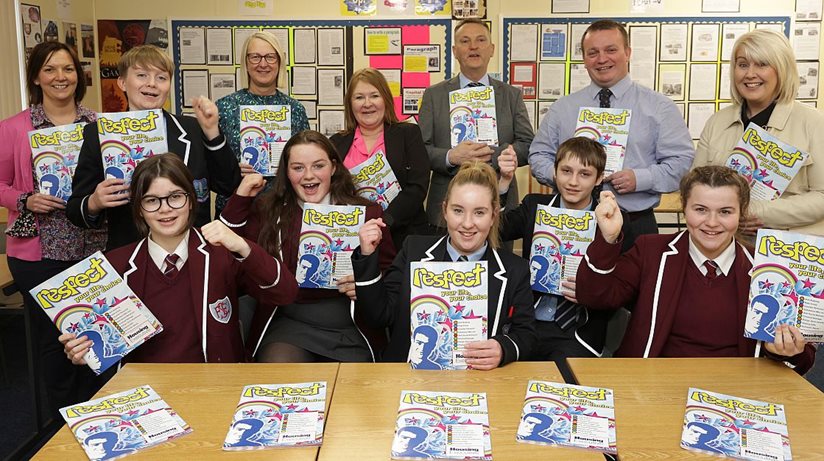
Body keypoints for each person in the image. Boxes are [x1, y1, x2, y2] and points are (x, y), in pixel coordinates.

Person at [60, 154, 297, 364]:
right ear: (139, 208)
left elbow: (285, 293)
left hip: (214, 386)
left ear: (192, 199)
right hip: (147, 392)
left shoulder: (221, 254)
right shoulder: (115, 265)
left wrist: (243, 247)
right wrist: (85, 352)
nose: (165, 209)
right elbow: (100, 347)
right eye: (152, 200)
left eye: (175, 197)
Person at [576, 166, 816, 373]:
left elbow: (804, 360)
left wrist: (786, 352)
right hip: (653, 384)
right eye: (700, 210)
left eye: (725, 212)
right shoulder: (651, 251)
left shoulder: (768, 270)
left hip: (735, 392)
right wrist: (607, 240)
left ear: (741, 212)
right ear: (684, 207)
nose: (711, 222)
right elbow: (595, 297)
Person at [220, 130, 396, 363]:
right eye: (298, 168)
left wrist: (366, 283)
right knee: (280, 371)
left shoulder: (366, 212)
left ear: (333, 168)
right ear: (286, 172)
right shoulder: (269, 210)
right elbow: (228, 252)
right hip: (290, 323)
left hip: (351, 325)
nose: (308, 175)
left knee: (355, 391)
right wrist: (242, 197)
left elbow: (390, 275)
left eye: (318, 165)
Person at [0, 41, 106, 416]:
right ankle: (64, 420)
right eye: (49, 69)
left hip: (95, 247)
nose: (60, 77)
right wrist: (24, 199)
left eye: (67, 69)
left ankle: (98, 410)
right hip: (40, 253)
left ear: (79, 75)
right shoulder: (14, 128)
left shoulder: (98, 124)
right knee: (54, 341)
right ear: (35, 77)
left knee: (97, 334)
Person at [352, 161, 536, 369]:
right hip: (409, 380)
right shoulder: (414, 250)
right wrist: (367, 255)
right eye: (458, 211)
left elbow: (526, 334)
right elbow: (379, 315)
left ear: (493, 215)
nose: (467, 223)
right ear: (445, 210)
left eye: (479, 212)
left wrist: (503, 348)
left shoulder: (514, 269)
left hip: (478, 383)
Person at [529, 19, 694, 247]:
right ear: (584, 59)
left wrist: (640, 179)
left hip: (635, 224)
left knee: (637, 284)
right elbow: (538, 155)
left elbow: (681, 162)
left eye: (611, 50)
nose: (602, 59)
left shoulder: (660, 107)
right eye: (593, 52)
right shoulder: (563, 108)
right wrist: (564, 176)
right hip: (572, 224)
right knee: (572, 284)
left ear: (627, 52)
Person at [67, 45, 240, 250]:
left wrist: (212, 131)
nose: (152, 84)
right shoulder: (99, 134)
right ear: (122, 82)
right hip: (132, 255)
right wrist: (94, 202)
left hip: (194, 252)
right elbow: (75, 211)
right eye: (141, 75)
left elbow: (228, 184)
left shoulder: (192, 128)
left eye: (161, 78)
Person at [500, 137, 633, 365]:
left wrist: (592, 292)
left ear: (599, 178)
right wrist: (503, 184)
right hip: (528, 324)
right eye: (566, 171)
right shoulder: (534, 206)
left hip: (578, 330)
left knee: (563, 381)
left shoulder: (614, 220)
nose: (573, 181)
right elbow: (495, 229)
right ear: (555, 171)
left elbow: (621, 287)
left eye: (584, 174)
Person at [694, 29, 824, 237]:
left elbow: (822, 196)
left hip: (787, 250)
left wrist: (754, 211)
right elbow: (696, 188)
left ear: (782, 69)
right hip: (725, 247)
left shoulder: (814, 122)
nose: (750, 74)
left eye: (762, 64)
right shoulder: (717, 122)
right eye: (743, 64)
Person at [418, 18, 534, 232]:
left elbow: (528, 144)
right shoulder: (434, 95)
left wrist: (497, 154)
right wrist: (451, 156)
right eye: (465, 41)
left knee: (498, 263)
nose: (473, 46)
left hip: (499, 200)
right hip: (447, 205)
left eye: (481, 40)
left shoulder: (511, 95)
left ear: (491, 49)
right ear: (454, 50)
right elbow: (420, 151)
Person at [330, 67, 430, 247]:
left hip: (403, 236)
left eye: (374, 96)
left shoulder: (409, 134)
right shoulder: (336, 143)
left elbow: (418, 186)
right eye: (359, 97)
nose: (367, 103)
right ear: (350, 104)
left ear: (385, 99)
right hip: (352, 238)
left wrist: (385, 221)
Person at [215, 31, 310, 215]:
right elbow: (212, 165)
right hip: (236, 206)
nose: (263, 64)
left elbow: (307, 159)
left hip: (283, 207)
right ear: (246, 62)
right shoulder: (225, 107)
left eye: (270, 57)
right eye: (255, 57)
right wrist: (233, 170)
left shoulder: (295, 109)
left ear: (279, 62)